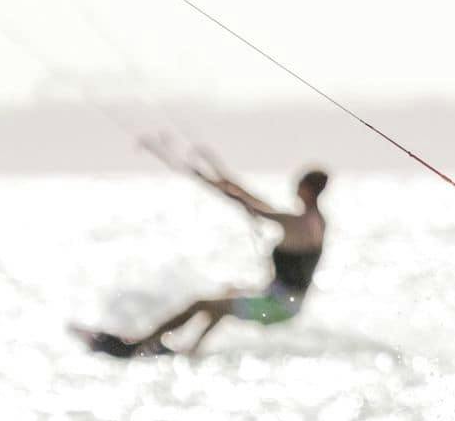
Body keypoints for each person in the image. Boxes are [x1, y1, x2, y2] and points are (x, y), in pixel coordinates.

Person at [126, 152, 329, 355]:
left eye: (299, 184)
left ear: (308, 189)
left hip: (278, 306)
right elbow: (258, 203)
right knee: (225, 296)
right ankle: (192, 350)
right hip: (286, 303)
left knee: (201, 304)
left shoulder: (298, 222)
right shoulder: (316, 221)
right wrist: (223, 178)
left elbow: (254, 207)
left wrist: (210, 182)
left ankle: (139, 344)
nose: (295, 188)